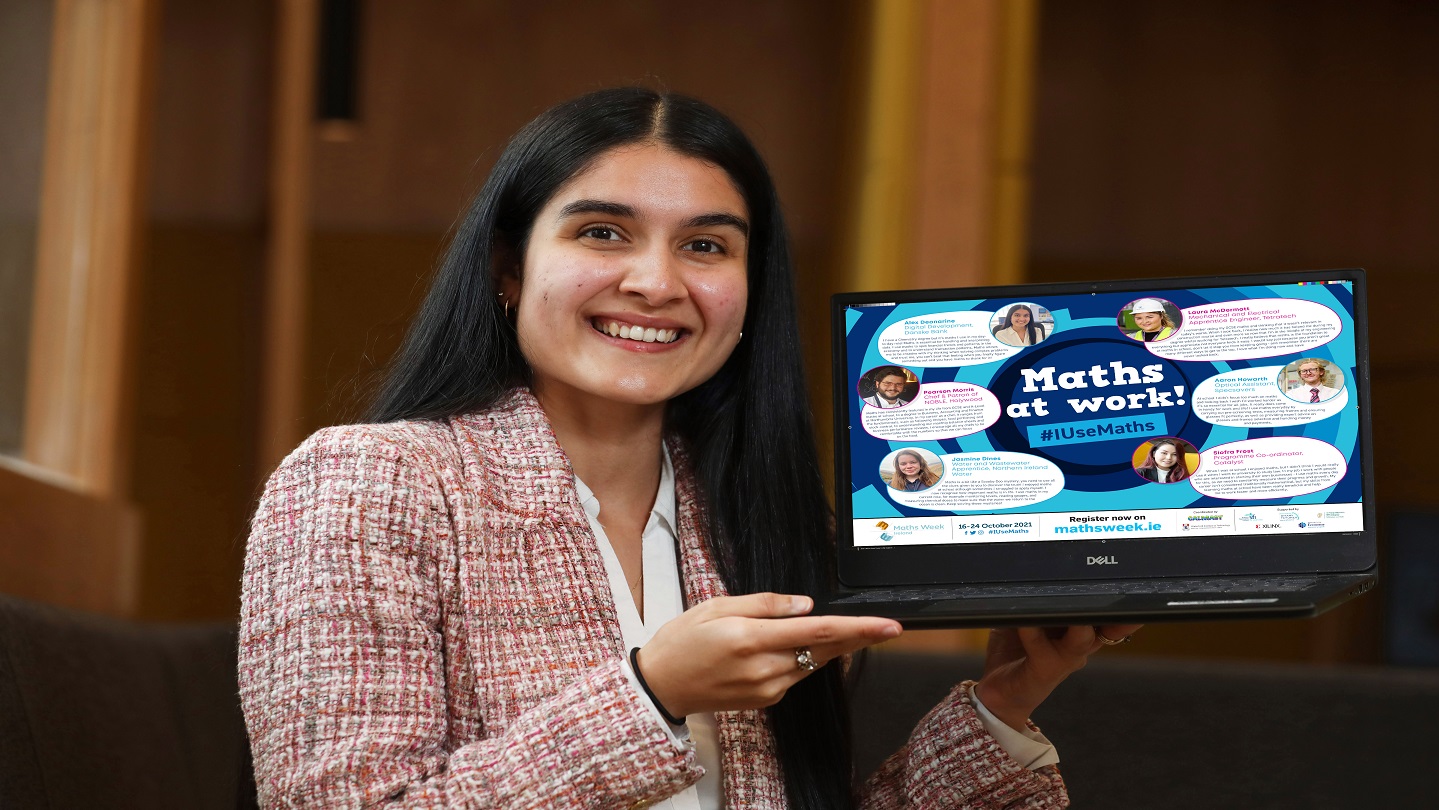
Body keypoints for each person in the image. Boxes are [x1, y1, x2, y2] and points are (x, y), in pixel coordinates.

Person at [239, 88, 1140, 809]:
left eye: (705, 246)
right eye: (602, 232)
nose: (655, 282)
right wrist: (650, 694)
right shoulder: (367, 481)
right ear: (509, 269)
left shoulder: (757, 513)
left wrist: (1002, 706)